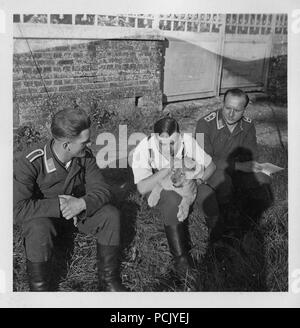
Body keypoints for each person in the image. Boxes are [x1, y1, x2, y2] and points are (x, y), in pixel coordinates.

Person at [13, 108, 127, 292]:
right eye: (84, 141)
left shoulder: (84, 156)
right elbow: (15, 209)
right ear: (67, 145)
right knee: (38, 227)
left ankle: (109, 281)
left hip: (76, 214)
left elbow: (103, 190)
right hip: (45, 219)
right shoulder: (31, 161)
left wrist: (81, 203)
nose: (89, 143)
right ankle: (40, 292)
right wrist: (60, 205)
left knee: (110, 214)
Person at [131, 117, 216, 278]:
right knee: (172, 201)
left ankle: (216, 242)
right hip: (157, 184)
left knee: (207, 194)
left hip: (185, 181)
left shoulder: (187, 141)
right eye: (162, 143)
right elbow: (142, 187)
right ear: (154, 137)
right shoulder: (144, 148)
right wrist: (167, 169)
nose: (168, 148)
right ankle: (181, 258)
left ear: (179, 135)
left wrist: (198, 180)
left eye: (173, 142)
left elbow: (211, 166)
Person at [195, 88, 272, 239]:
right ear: (222, 104)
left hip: (233, 169)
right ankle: (222, 228)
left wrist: (251, 166)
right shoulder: (203, 124)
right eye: (227, 108)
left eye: (236, 110)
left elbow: (251, 154)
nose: (230, 114)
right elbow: (203, 159)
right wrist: (237, 166)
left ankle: (248, 222)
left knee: (263, 180)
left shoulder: (248, 125)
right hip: (210, 170)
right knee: (224, 182)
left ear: (244, 109)